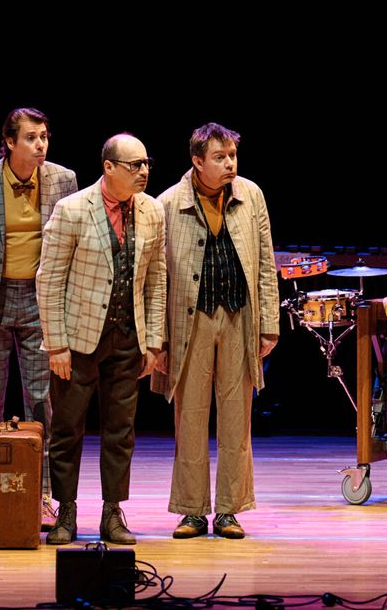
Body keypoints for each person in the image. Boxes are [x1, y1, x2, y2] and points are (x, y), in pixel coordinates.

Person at [36, 133, 166, 545]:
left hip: (128, 338)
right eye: (134, 165)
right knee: (67, 428)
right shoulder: (72, 209)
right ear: (108, 167)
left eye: (146, 163)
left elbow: (157, 278)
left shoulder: (151, 210)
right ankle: (66, 511)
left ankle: (112, 512)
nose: (143, 172)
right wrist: (57, 344)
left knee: (120, 431)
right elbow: (49, 280)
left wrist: (154, 341)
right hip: (78, 341)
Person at [152, 122, 279, 539]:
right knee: (189, 417)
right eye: (220, 158)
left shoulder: (251, 195)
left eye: (232, 156)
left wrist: (269, 324)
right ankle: (192, 510)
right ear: (197, 161)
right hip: (190, 321)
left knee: (236, 417)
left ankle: (229, 509)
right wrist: (158, 338)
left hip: (239, 316)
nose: (229, 165)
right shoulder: (168, 203)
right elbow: (156, 276)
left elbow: (265, 263)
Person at [0, 107, 77, 528]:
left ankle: (41, 495)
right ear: (9, 142)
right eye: (30, 137)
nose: (40, 145)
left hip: (39, 300)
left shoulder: (62, 179)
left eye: (44, 136)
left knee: (42, 401)